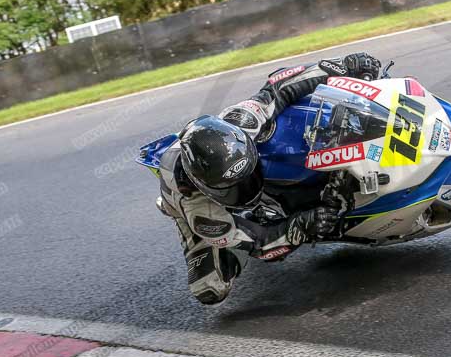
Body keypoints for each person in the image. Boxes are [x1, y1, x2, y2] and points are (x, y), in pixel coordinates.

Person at [156, 53, 382, 305]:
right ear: (207, 189)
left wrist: (340, 66)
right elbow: (259, 244)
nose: (245, 186)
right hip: (188, 207)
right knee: (210, 290)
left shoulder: (239, 122)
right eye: (233, 186)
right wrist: (301, 225)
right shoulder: (204, 215)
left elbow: (280, 85)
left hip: (212, 150)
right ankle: (196, 243)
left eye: (245, 177)